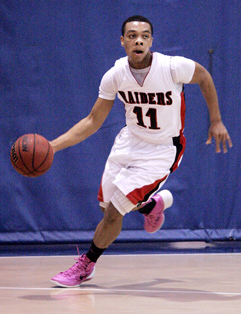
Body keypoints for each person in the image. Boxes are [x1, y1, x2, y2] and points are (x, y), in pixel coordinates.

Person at [50, 15, 232, 287]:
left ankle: (86, 265)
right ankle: (150, 206)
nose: (139, 40)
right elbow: (92, 121)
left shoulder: (172, 67)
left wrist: (216, 120)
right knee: (106, 208)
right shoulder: (115, 75)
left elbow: (204, 76)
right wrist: (53, 146)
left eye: (145, 35)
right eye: (133, 35)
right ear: (122, 41)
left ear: (151, 41)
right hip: (129, 143)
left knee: (113, 213)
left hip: (161, 151)